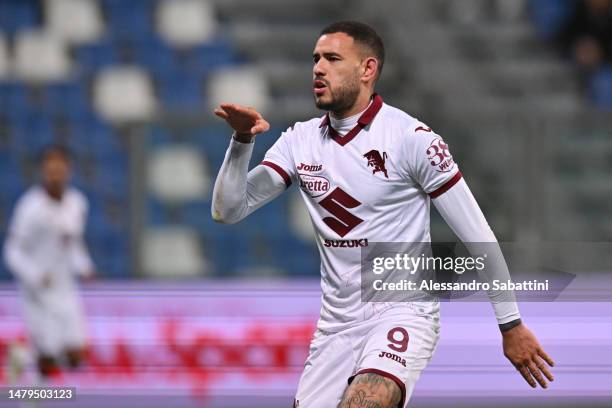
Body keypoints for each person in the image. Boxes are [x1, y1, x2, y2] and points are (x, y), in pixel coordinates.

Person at [212, 21, 555, 408]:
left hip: (403, 311)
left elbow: (477, 233)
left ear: (367, 70)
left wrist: (510, 323)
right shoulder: (299, 141)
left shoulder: (412, 140)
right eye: (315, 59)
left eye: (332, 58)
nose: (318, 68)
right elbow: (228, 210)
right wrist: (242, 142)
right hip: (336, 327)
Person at [3, 145, 94, 378]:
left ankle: (23, 356)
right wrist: (35, 275)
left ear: (68, 170)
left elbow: (73, 243)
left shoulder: (77, 203)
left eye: (59, 167)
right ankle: (32, 391)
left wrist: (85, 267)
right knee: (48, 360)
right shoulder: (30, 207)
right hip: (39, 292)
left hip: (65, 288)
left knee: (76, 358)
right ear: (43, 171)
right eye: (50, 167)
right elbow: (12, 251)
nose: (55, 172)